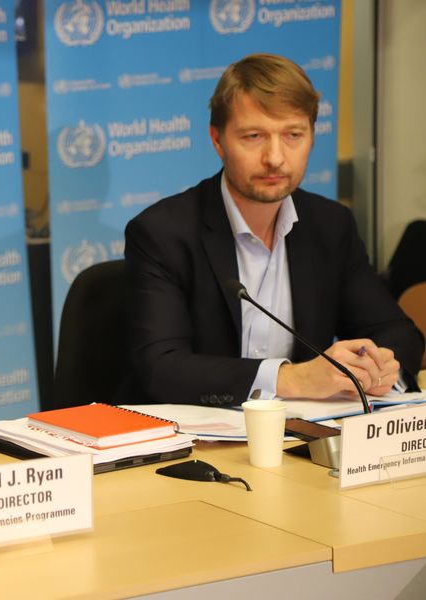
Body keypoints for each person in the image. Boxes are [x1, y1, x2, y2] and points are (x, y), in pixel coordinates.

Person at [121, 53, 423, 406]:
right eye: (254, 136)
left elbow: (397, 332)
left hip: (302, 430)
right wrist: (292, 378)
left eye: (293, 135)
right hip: (196, 430)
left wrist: (377, 368)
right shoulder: (162, 232)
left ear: (312, 137)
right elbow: (161, 368)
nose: (275, 158)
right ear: (217, 140)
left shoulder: (330, 225)